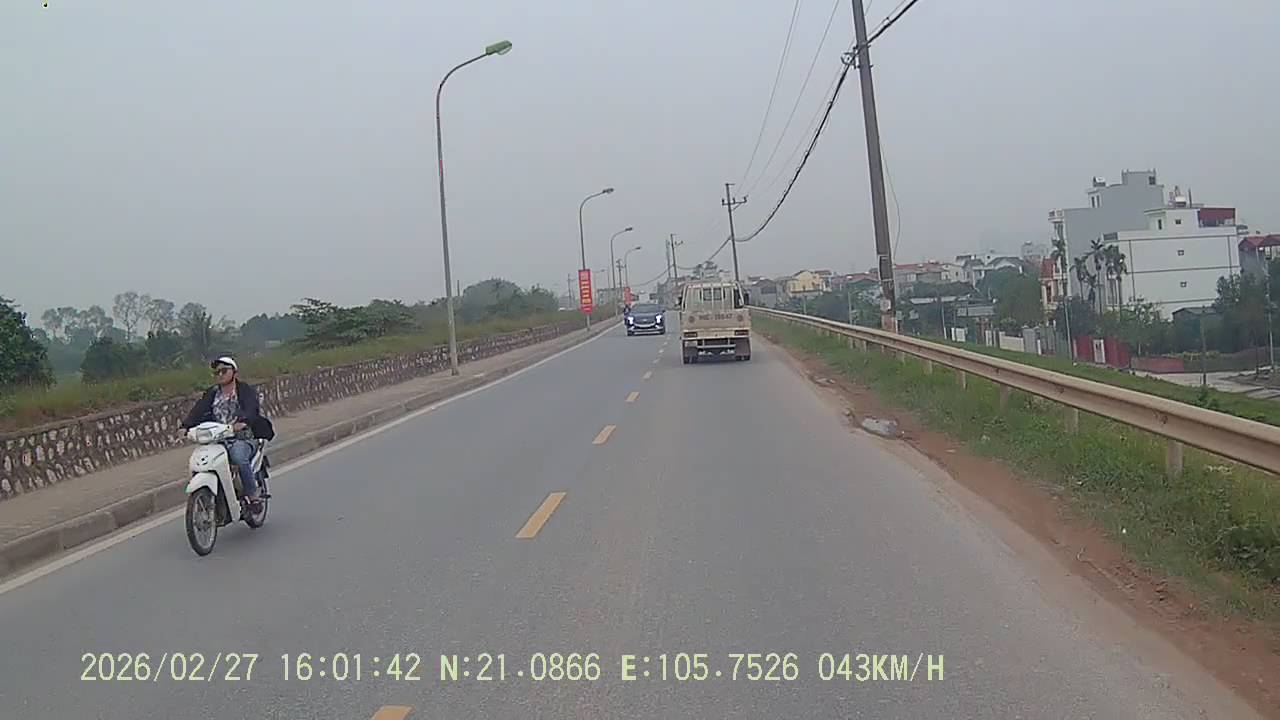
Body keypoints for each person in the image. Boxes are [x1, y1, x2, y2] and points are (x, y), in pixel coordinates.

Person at [179, 356, 268, 508]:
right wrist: (185, 426)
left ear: (234, 372)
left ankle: (253, 496)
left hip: (242, 438)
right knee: (202, 460)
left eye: (224, 371)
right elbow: (198, 410)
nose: (220, 375)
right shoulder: (212, 393)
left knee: (239, 458)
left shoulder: (244, 390)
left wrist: (243, 422)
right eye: (217, 372)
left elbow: (252, 408)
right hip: (217, 439)